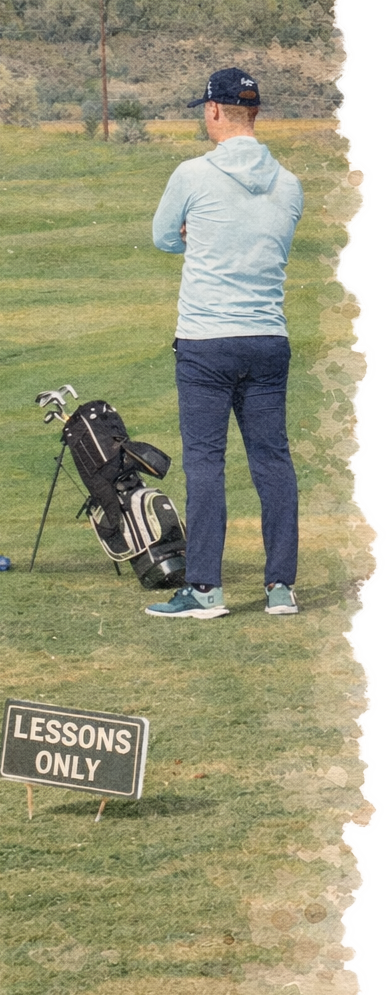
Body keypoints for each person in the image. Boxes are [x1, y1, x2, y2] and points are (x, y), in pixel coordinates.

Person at [146, 68, 304, 619]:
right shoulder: (289, 183)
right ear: (253, 113)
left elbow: (164, 237)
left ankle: (206, 592)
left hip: (207, 342)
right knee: (272, 462)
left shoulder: (192, 174)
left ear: (214, 112)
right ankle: (280, 589)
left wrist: (196, 233)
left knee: (206, 464)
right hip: (268, 339)